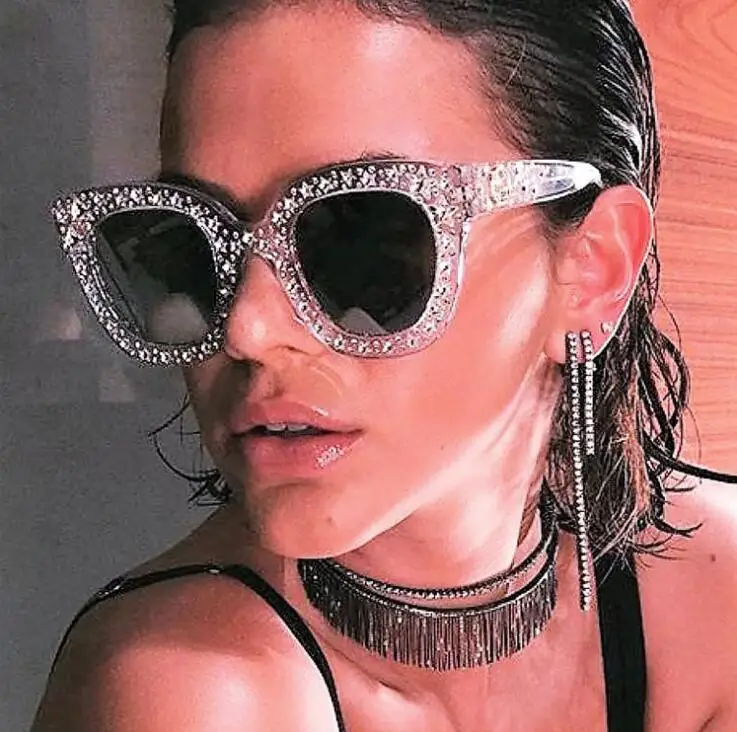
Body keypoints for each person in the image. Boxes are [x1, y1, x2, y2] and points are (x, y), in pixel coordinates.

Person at [31, 1, 737, 730]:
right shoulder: (192, 692)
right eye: (186, 244)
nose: (246, 329)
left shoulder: (714, 598)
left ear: (591, 270)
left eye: (360, 238)